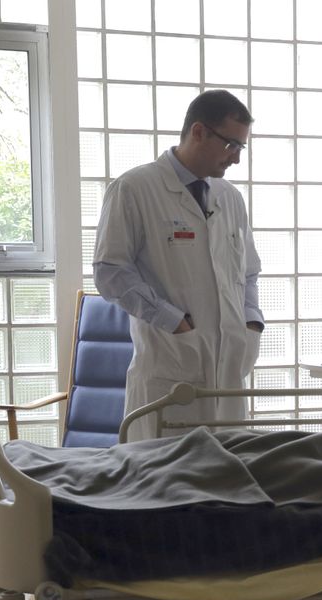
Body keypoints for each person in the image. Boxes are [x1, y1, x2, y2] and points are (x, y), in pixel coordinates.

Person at [94, 89, 264, 442]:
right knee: (163, 483)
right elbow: (110, 271)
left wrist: (251, 321)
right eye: (231, 145)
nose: (235, 159)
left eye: (241, 148)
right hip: (169, 372)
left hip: (229, 369)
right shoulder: (134, 189)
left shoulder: (229, 197)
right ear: (199, 132)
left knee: (225, 481)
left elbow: (247, 271)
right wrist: (173, 321)